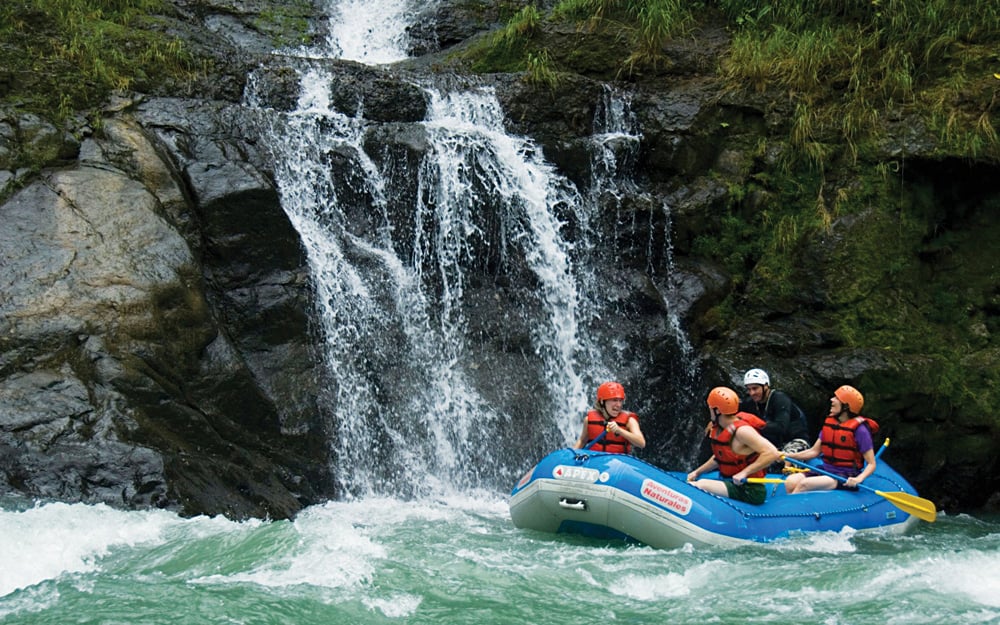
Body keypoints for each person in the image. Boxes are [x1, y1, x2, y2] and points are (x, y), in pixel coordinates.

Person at [687, 386, 780, 505]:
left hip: (749, 490)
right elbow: (719, 457)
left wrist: (744, 473)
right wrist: (697, 472)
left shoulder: (742, 431)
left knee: (702, 485)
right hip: (730, 482)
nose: (709, 411)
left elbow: (772, 452)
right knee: (699, 481)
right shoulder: (721, 428)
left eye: (710, 408)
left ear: (717, 410)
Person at [784, 385, 880, 494]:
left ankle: (791, 505)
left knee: (804, 484)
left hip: (845, 475)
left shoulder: (860, 430)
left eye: (837, 398)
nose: (832, 399)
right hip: (826, 469)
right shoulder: (831, 424)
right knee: (790, 481)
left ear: (846, 406)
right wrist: (789, 456)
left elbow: (871, 464)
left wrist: (859, 479)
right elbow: (814, 451)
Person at [739, 368, 810, 455]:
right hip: (770, 443)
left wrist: (757, 424)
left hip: (794, 441)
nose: (752, 393)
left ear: (765, 386)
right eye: (749, 389)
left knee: (781, 461)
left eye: (755, 388)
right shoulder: (749, 403)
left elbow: (781, 427)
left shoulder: (780, 399)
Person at [573, 381, 646, 453]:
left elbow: (641, 443)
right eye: (614, 400)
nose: (619, 405)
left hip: (617, 459)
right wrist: (571, 455)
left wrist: (620, 431)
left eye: (620, 401)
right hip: (595, 458)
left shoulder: (630, 421)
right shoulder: (588, 420)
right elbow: (582, 441)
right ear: (602, 401)